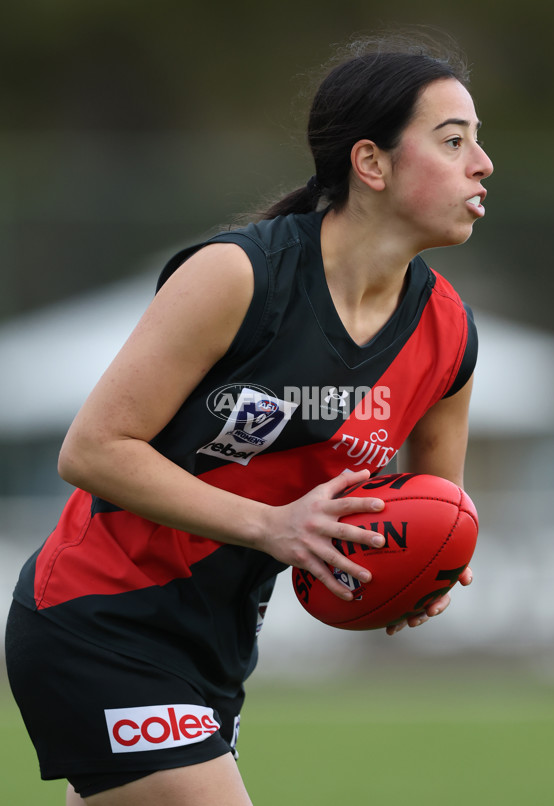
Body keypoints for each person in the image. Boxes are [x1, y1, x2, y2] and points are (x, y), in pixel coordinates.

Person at [5, 31, 493, 805]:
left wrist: (426, 574)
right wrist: (273, 525)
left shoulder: (450, 335)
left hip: (218, 650)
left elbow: (434, 512)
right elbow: (93, 450)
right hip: (98, 614)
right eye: (453, 140)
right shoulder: (240, 275)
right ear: (371, 163)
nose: (482, 163)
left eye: (478, 142)